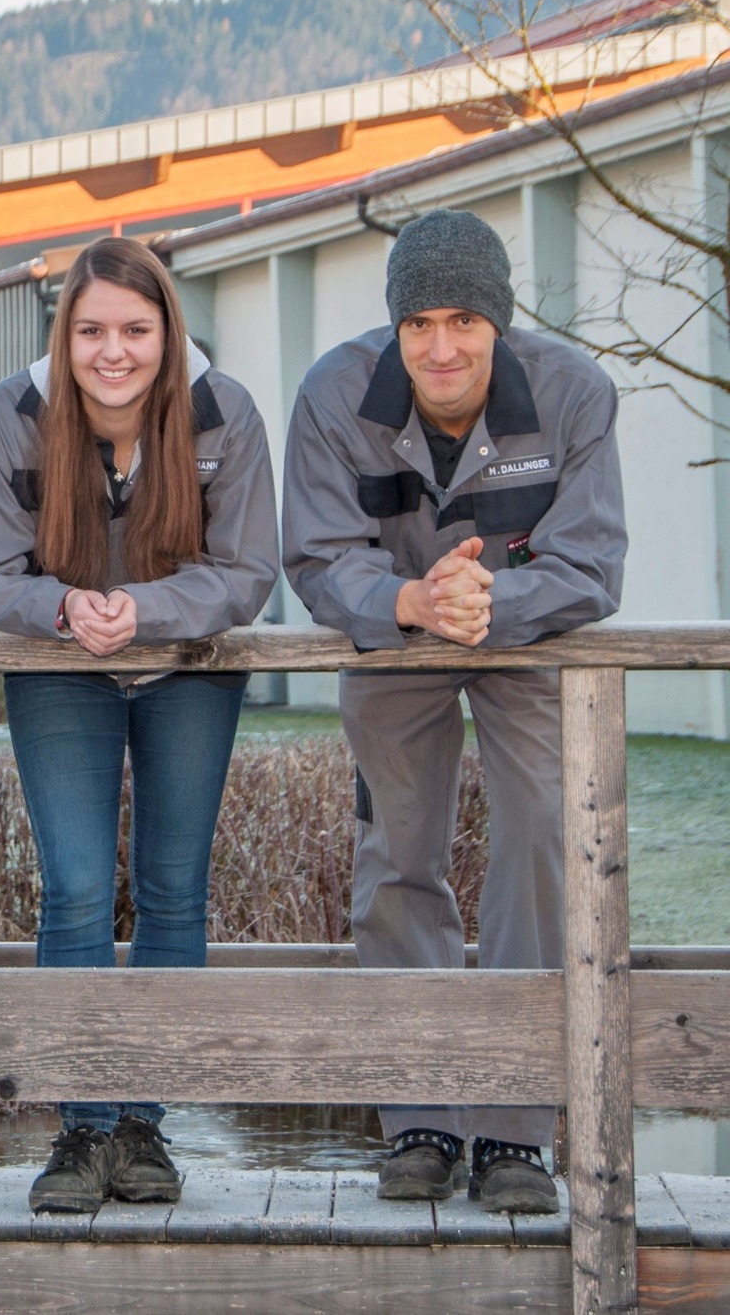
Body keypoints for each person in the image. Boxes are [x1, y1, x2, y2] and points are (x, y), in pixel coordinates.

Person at [284, 208, 624, 1214]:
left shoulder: (571, 392)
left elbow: (590, 561)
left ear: (497, 323)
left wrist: (486, 604)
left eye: (464, 322)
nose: (441, 348)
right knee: (396, 857)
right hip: (393, 636)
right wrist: (409, 600)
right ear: (394, 324)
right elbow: (316, 554)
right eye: (419, 322)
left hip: (523, 641)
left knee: (540, 841)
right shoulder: (333, 394)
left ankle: (516, 1130)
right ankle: (421, 1118)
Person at [0, 236, 278, 1215]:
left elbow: (247, 570)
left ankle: (142, 1123)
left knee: (173, 890)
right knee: (73, 889)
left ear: (167, 333)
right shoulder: (12, 414)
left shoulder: (223, 410)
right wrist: (62, 608)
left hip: (187, 669)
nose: (113, 352)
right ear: (63, 334)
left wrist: (145, 609)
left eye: (135, 330)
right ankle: (82, 1126)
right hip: (61, 669)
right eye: (92, 330)